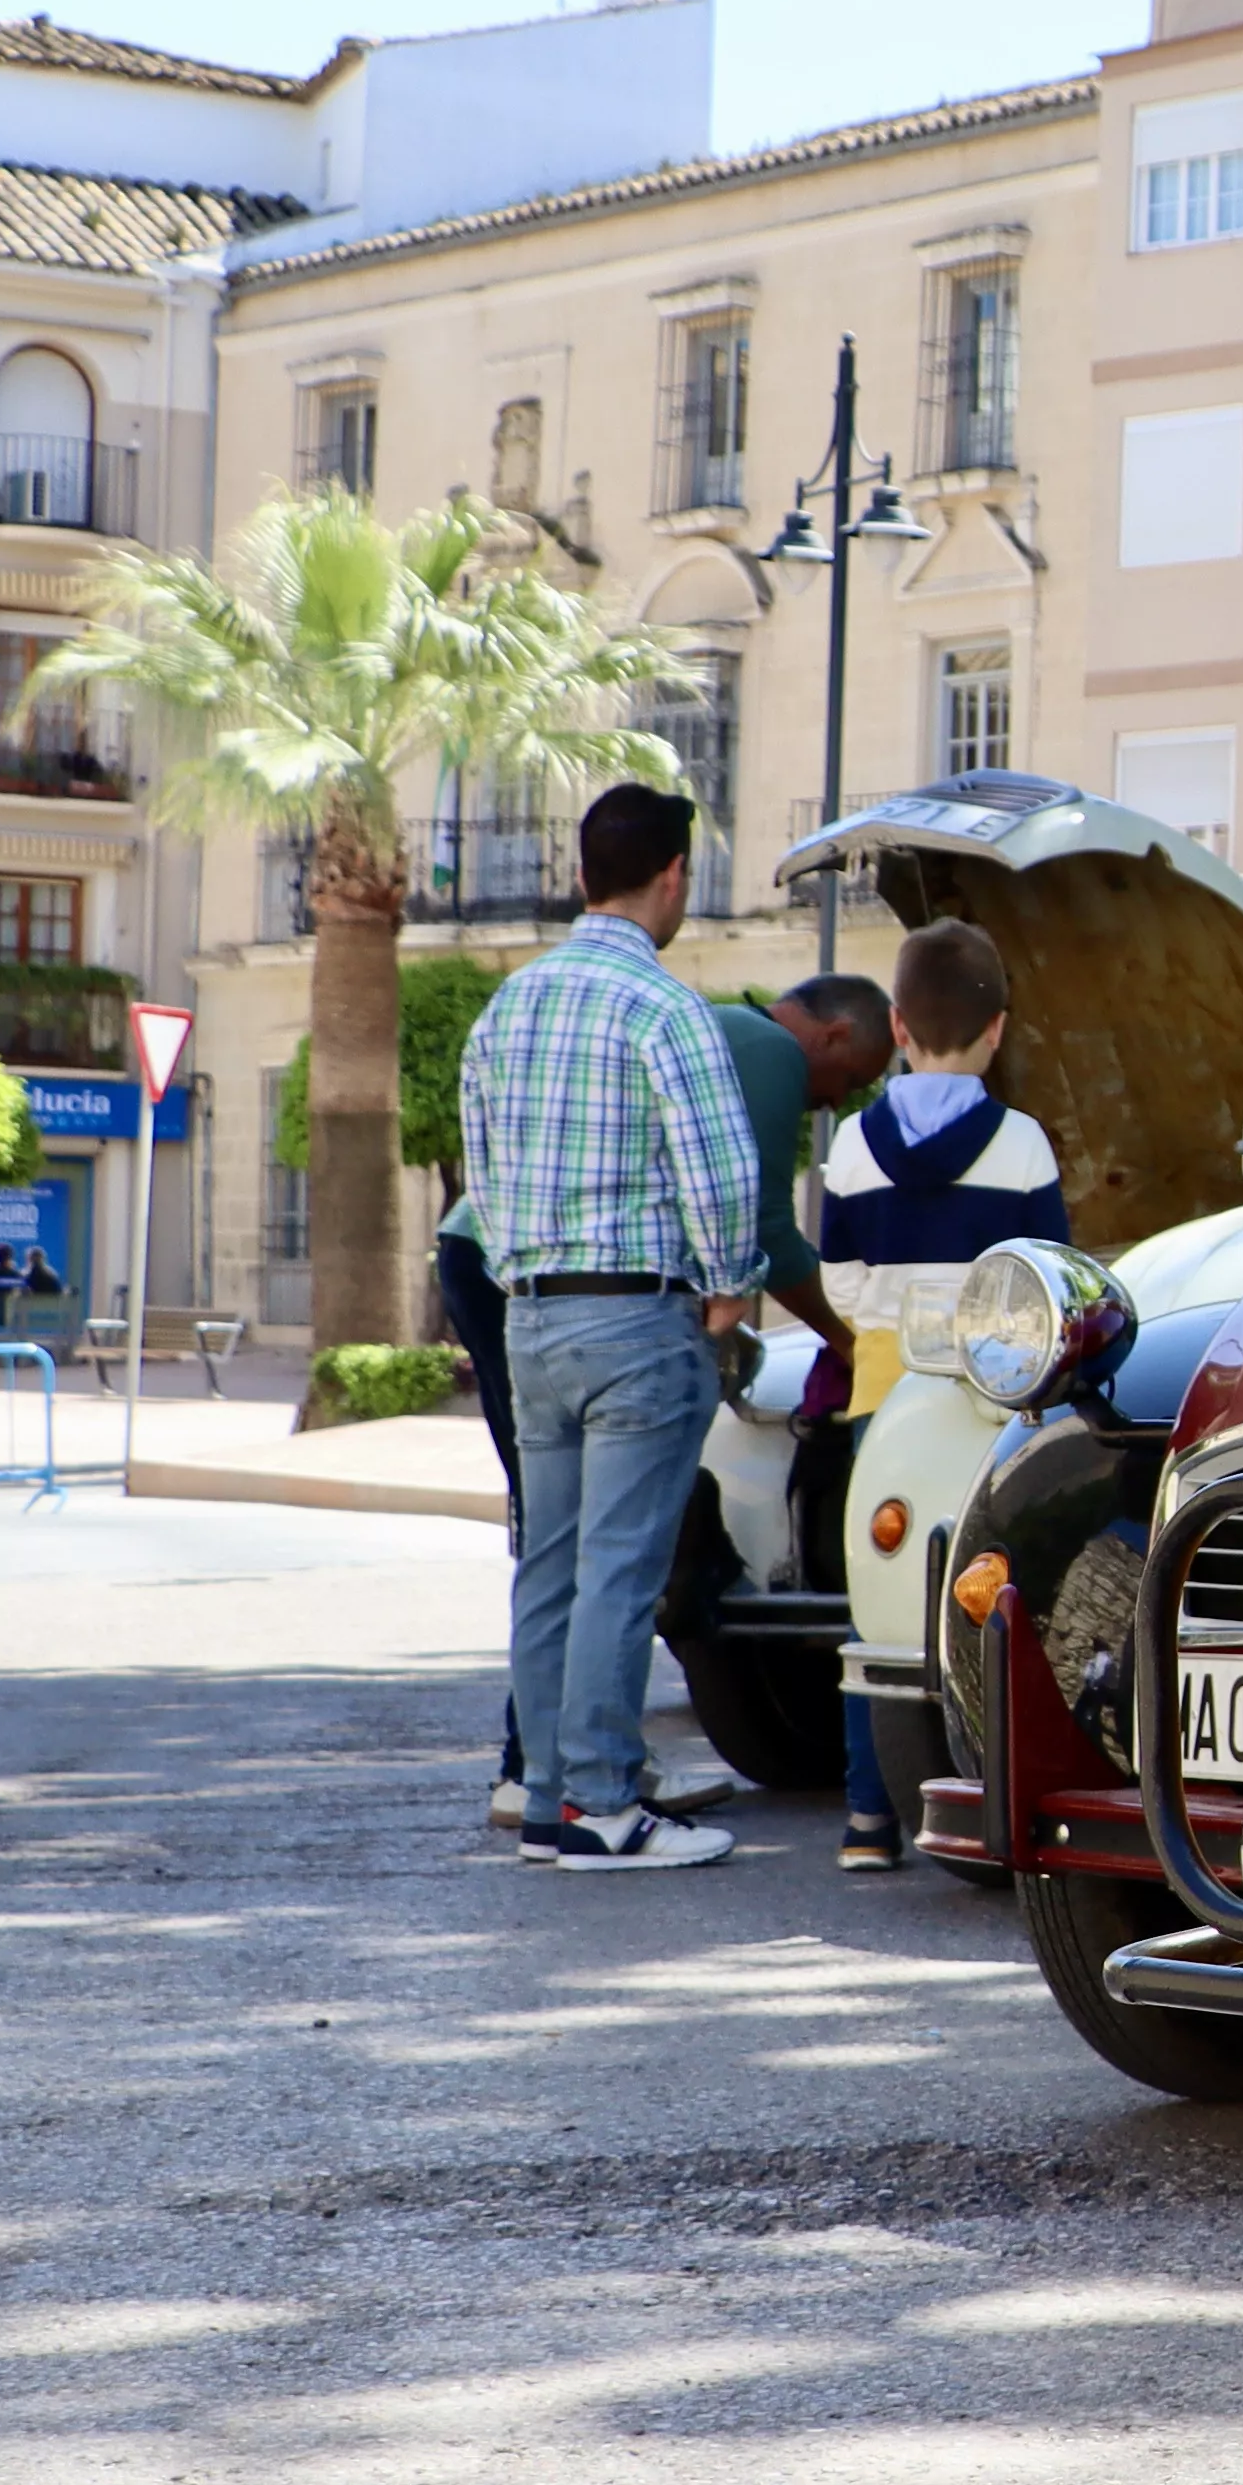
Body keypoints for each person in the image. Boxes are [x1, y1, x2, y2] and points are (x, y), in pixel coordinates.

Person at [449, 963, 890, 1825]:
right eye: (851, 1083)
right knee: (597, 1551)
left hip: (508, 1265)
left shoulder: (713, 1024)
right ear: (834, 1038)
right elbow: (760, 1223)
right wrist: (850, 1338)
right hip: (579, 1288)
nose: (833, 1104)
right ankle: (570, 1782)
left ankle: (559, 1778)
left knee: (557, 1544)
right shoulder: (765, 1050)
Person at [454, 785, 767, 1871]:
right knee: (621, 1570)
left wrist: (521, 1275)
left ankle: (546, 1801)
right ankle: (598, 1804)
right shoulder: (663, 1008)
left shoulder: (510, 1008)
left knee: (550, 1564)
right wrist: (730, 1284)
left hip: (532, 1314)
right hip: (638, 1314)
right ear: (672, 875)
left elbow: (481, 1180)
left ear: (586, 871)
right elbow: (722, 1171)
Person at [811, 919, 1071, 1867]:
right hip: (997, 1400)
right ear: (998, 1029)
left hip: (886, 1390)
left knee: (874, 1602)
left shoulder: (852, 1145)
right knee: (1000, 1590)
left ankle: (866, 1819)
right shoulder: (1023, 1145)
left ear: (897, 1025)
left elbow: (837, 1280)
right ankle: (998, 1799)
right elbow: (1050, 1271)